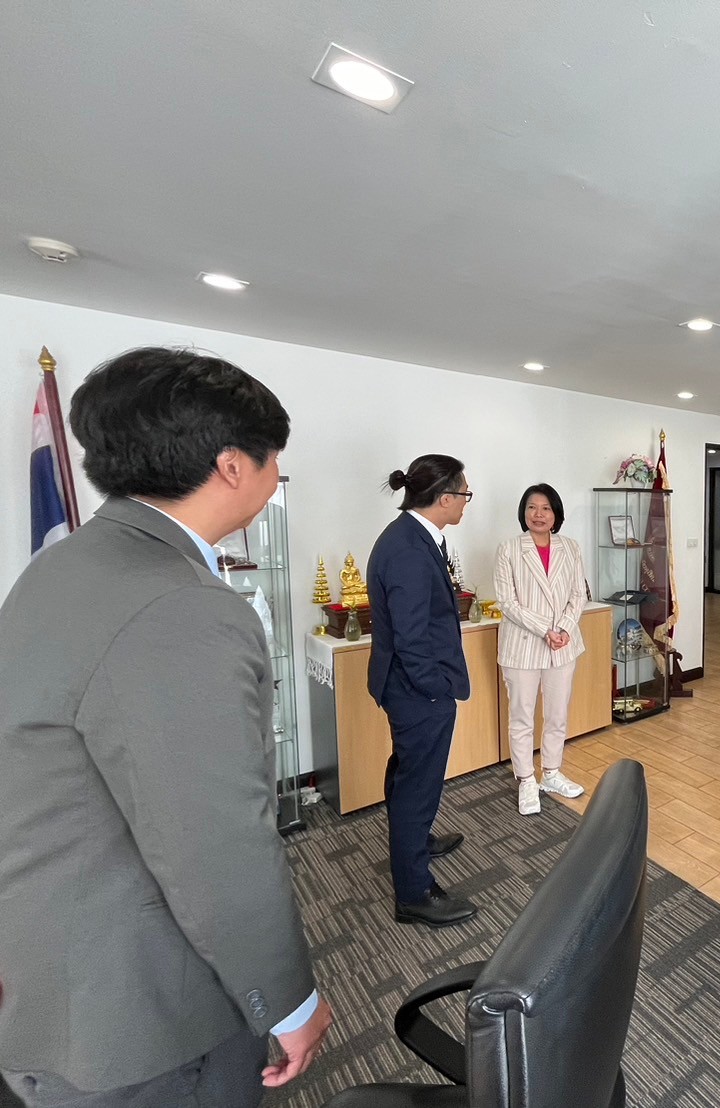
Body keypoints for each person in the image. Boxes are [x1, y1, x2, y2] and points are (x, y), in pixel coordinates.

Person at [0, 347, 332, 1107]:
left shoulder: (63, 565)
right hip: (140, 1011)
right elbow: (215, 839)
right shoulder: (179, 604)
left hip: (53, 966)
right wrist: (289, 1002)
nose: (277, 473)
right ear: (232, 466)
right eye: (273, 456)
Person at [367, 455, 477, 928]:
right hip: (416, 689)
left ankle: (414, 840)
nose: (467, 502)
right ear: (445, 497)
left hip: (406, 684)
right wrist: (434, 690)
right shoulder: (409, 549)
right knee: (418, 784)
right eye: (465, 494)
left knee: (408, 771)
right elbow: (411, 637)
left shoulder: (411, 537)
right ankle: (414, 893)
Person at [492, 484, 589, 816]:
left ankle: (551, 772)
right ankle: (525, 780)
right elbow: (507, 602)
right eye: (532, 507)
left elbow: (578, 594)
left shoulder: (570, 547)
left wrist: (563, 629)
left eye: (546, 508)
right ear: (524, 512)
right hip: (523, 645)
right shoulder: (509, 549)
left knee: (557, 713)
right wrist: (546, 629)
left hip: (562, 644)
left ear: (555, 514)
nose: (538, 514)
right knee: (521, 715)